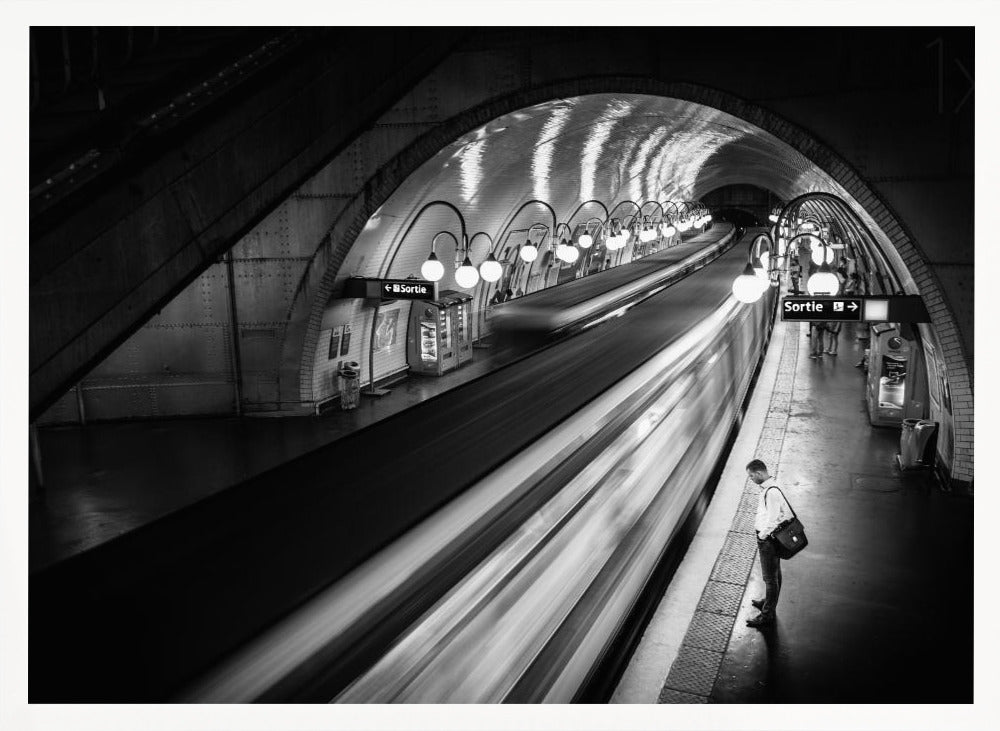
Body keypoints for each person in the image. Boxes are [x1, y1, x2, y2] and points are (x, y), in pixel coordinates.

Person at [745, 459, 793, 628]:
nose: (751, 479)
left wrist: (763, 536)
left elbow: (773, 520)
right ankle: (768, 601)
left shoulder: (771, 492)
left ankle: (767, 614)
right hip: (771, 539)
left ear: (758, 473)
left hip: (768, 540)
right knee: (774, 573)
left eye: (751, 476)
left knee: (770, 578)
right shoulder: (771, 486)